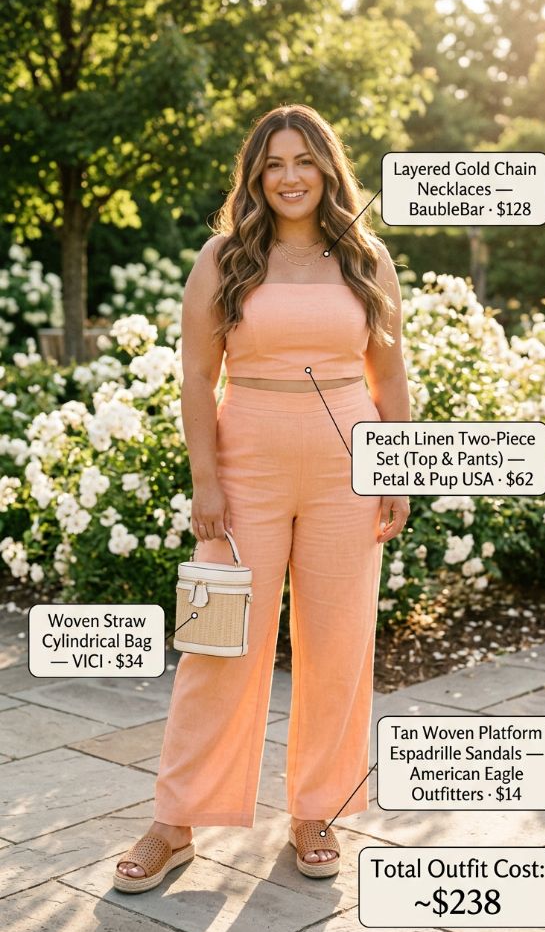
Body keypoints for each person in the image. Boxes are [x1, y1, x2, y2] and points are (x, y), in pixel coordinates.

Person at [113, 104, 411, 892]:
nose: (289, 177)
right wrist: (205, 481)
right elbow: (194, 379)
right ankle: (174, 820)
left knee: (338, 641)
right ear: (255, 174)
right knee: (215, 643)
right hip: (245, 468)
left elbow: (391, 377)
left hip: (348, 468)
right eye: (274, 163)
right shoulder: (223, 257)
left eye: (304, 161)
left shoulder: (365, 258)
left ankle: (316, 808)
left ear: (327, 171)